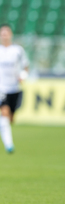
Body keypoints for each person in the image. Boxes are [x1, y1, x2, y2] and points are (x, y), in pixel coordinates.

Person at [0, 24, 29, 153]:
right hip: (1, 88)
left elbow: (26, 66)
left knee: (11, 118)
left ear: (10, 34)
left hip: (14, 88)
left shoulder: (18, 50)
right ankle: (9, 145)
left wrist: (23, 75)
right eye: (2, 33)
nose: (4, 35)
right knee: (4, 114)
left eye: (6, 32)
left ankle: (6, 135)